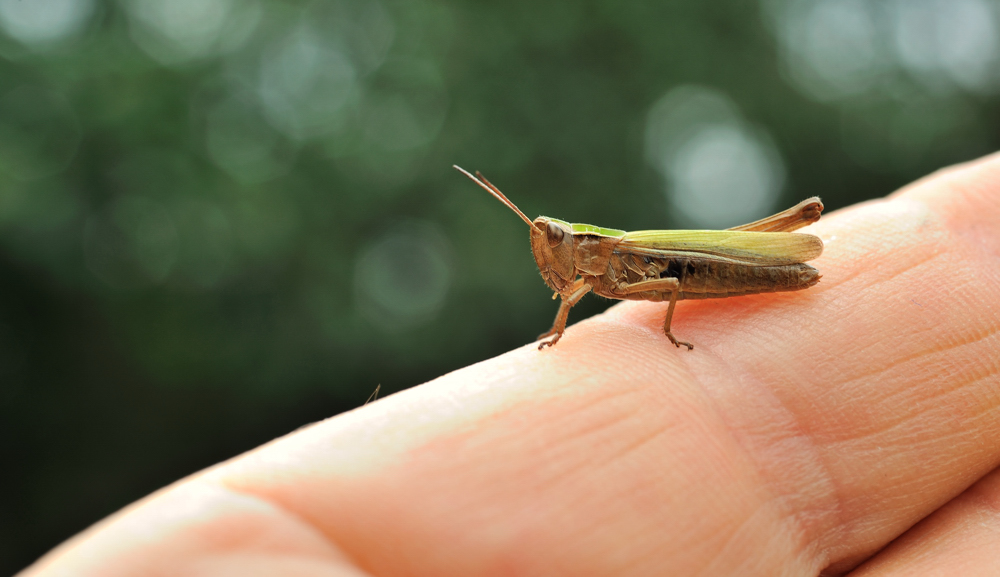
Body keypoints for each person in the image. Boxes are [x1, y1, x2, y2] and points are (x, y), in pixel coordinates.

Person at [21, 153, 1000, 576]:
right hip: (673, 288)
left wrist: (644, 317)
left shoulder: (606, 264)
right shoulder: (581, 282)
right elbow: (588, 301)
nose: (552, 255)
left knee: (753, 254)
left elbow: (651, 285)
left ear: (578, 244)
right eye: (552, 247)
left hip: (698, 265)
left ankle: (781, 235)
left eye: (556, 241)